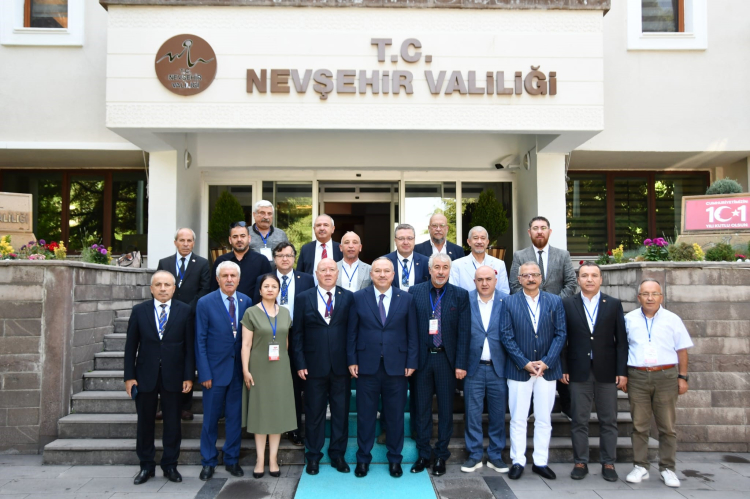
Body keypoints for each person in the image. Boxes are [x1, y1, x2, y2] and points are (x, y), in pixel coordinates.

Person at [347, 257, 418, 478]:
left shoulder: (406, 299)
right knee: (365, 416)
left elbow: (412, 333)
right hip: (366, 366)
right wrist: (351, 359)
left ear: (393, 274)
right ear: (371, 274)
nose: (382, 274)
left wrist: (411, 361)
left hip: (397, 367)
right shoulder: (358, 297)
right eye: (377, 271)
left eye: (386, 271)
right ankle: (363, 459)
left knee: (395, 416)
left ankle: (395, 460)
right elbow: (351, 332)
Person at [124, 271, 194, 485]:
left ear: (174, 288)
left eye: (167, 285)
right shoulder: (139, 311)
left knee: (173, 423)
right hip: (145, 375)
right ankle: (146, 466)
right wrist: (129, 376)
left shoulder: (185, 310)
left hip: (174, 376)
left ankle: (170, 465)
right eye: (158, 285)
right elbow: (130, 346)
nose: (163, 288)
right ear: (151, 288)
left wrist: (189, 376)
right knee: (145, 423)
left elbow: (189, 347)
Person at [560, 262, 627, 482]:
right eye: (585, 275)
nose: (589, 279)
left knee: (609, 420)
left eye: (594, 275)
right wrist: (563, 367)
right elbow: (562, 339)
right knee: (579, 419)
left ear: (601, 279)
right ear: (578, 279)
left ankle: (608, 463)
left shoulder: (613, 304)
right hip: (578, 370)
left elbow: (621, 342)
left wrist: (622, 371)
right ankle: (580, 462)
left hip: (607, 371)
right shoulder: (567, 304)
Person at [623, 279, 693, 488]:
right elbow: (622, 349)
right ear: (639, 297)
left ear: (661, 297)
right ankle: (640, 466)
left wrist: (682, 377)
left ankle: (667, 468)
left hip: (665, 376)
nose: (650, 298)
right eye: (645, 294)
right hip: (637, 376)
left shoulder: (672, 319)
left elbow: (682, 349)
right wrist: (623, 375)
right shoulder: (629, 319)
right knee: (639, 425)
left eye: (654, 294)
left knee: (667, 426)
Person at [501, 261, 566, 481]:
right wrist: (524, 362)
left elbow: (561, 334)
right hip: (519, 370)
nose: (530, 278)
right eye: (526, 275)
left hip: (547, 371)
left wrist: (546, 362)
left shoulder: (555, 301)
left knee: (544, 418)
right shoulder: (509, 302)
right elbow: (506, 336)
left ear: (541, 278)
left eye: (534, 274)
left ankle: (540, 462)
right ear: (519, 279)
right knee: (518, 418)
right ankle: (518, 461)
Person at [291, 259, 355, 475]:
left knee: (340, 413)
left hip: (341, 367)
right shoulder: (303, 298)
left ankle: (338, 455)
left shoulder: (348, 297)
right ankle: (313, 456)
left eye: (331, 270)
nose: (328, 273)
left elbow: (353, 332)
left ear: (338, 273)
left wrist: (352, 361)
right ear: (316, 274)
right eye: (323, 270)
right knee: (314, 413)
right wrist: (300, 362)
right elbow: (297, 334)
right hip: (312, 367)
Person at [409, 253, 470, 476]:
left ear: (449, 270)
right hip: (422, 360)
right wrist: (410, 360)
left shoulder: (460, 295)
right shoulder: (414, 292)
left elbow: (464, 332)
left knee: (445, 409)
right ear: (430, 269)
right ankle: (424, 454)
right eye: (437, 267)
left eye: (445, 267)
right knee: (421, 409)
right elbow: (409, 329)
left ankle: (441, 455)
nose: (441, 271)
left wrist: (461, 364)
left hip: (447, 360)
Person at [510, 216, 576, 419]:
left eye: (543, 228)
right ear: (529, 232)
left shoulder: (562, 255)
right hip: (528, 316)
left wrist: (552, 303)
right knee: (530, 351)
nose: (539, 231)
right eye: (535, 228)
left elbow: (571, 283)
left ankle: (566, 405)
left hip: (557, 313)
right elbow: (514, 285)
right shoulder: (520, 255)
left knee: (559, 353)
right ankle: (530, 408)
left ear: (549, 231)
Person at [253, 241, 314, 447]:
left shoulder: (307, 279)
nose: (285, 259)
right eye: (280, 255)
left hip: (299, 336)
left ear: (294, 258)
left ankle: (294, 429)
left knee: (295, 386)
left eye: (289, 255)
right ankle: (270, 426)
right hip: (272, 337)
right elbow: (256, 308)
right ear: (274, 258)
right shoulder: (264, 279)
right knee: (272, 384)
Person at [195, 261, 251, 481]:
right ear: (217, 279)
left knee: (234, 419)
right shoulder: (205, 302)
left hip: (238, 372)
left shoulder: (246, 301)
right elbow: (200, 340)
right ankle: (208, 461)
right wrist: (204, 372)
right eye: (225, 276)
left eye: (233, 276)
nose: (229, 279)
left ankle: (231, 459)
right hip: (214, 372)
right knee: (210, 419)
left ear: (239, 279)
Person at [240, 273, 297, 479]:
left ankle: (273, 459)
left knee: (276, 413)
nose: (270, 289)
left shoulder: (285, 313)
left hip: (280, 368)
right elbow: (246, 344)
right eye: (266, 286)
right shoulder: (251, 312)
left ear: (279, 290)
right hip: (258, 368)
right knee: (260, 412)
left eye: (274, 286)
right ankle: (259, 459)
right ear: (260, 290)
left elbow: (286, 342)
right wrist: (246, 370)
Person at [156, 227, 210, 421]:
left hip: (191, 318)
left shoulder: (203, 263)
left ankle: (185, 406)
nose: (186, 244)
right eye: (182, 240)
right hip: (167, 319)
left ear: (194, 243)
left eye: (189, 240)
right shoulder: (165, 263)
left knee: (188, 360)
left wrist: (186, 310)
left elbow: (204, 290)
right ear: (175, 242)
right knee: (166, 361)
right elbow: (159, 287)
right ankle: (164, 406)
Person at [461, 266, 510, 474]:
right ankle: (474, 455)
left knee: (498, 414)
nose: (484, 283)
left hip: (499, 367)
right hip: (473, 367)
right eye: (480, 279)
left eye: (488, 279)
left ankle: (495, 455)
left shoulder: (506, 301)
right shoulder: (465, 300)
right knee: (472, 414)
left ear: (495, 280)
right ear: (474, 281)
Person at [211, 221, 271, 299]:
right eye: (235, 237)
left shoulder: (262, 261)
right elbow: (213, 289)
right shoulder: (221, 261)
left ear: (249, 238)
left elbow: (268, 288)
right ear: (230, 240)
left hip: (254, 306)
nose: (239, 239)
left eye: (243, 236)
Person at [450, 226, 510, 295]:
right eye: (475, 238)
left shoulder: (499, 264)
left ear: (487, 242)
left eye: (483, 238)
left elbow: (504, 292)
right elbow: (453, 292)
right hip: (466, 302)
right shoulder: (456, 265)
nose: (479, 241)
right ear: (469, 242)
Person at [384, 223, 430, 291]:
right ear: (395, 241)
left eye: (409, 238)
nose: (405, 242)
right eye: (401, 238)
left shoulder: (426, 262)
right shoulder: (384, 261)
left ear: (414, 240)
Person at [248, 200, 289, 265]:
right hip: (252, 270)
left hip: (275, 271)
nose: (266, 217)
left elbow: (288, 255)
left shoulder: (281, 234)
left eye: (269, 214)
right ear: (254, 214)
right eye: (262, 213)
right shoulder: (245, 233)